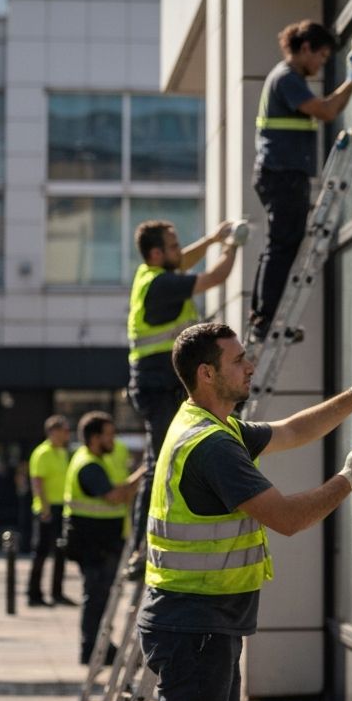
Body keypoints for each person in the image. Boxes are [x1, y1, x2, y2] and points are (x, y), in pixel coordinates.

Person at [137, 322, 352, 701]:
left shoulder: (210, 425)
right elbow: (287, 518)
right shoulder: (213, 446)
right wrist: (349, 479)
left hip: (199, 622)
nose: (250, 367)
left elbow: (292, 430)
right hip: (197, 625)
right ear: (207, 373)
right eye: (238, 360)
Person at [126, 218, 244, 575]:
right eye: (175, 246)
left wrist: (210, 239)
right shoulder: (161, 284)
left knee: (163, 456)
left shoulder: (152, 275)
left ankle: (141, 544)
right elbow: (214, 278)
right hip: (159, 387)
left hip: (158, 383)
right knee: (157, 461)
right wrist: (232, 245)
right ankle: (140, 548)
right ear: (158, 253)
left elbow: (185, 263)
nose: (181, 251)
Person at [248, 19, 352, 341]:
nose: (320, 64)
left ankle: (262, 315)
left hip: (280, 173)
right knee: (282, 246)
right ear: (305, 48)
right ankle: (265, 319)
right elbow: (327, 111)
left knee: (280, 245)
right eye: (321, 56)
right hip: (283, 174)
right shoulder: (287, 78)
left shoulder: (285, 78)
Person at [63, 411, 145, 664]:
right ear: (95, 437)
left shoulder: (96, 459)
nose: (114, 439)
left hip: (100, 542)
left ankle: (100, 645)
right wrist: (144, 471)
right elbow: (115, 496)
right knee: (97, 597)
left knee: (101, 597)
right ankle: (92, 648)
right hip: (94, 544)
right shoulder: (89, 465)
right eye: (109, 435)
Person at [26, 414, 73, 606]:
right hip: (47, 508)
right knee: (41, 552)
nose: (67, 434)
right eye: (64, 430)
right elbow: (37, 482)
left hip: (62, 507)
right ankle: (34, 594)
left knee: (60, 551)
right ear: (53, 431)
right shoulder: (42, 452)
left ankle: (57, 593)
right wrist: (45, 508)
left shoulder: (62, 452)